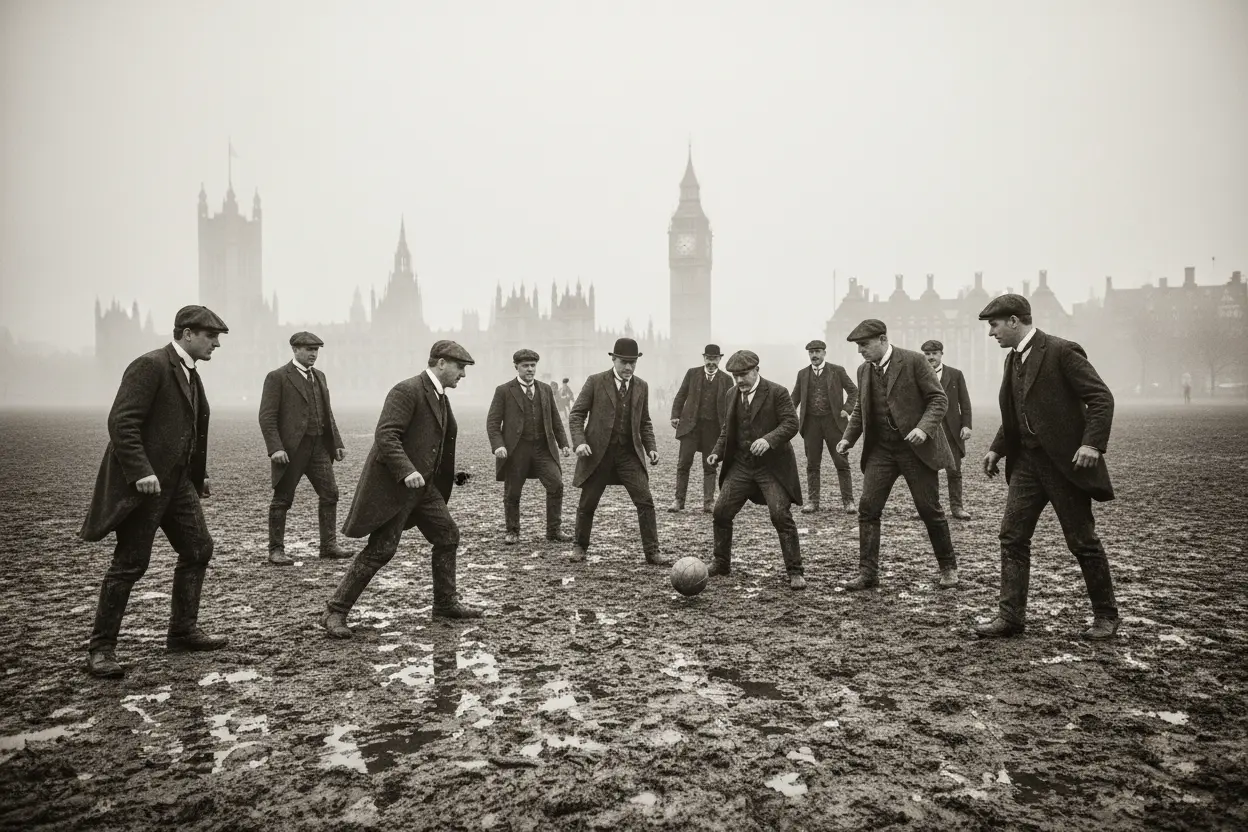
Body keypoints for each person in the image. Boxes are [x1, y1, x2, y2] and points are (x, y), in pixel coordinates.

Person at [80, 305, 231, 679]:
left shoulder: (190, 372)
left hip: (177, 484)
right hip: (146, 486)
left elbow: (188, 427)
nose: (216, 344)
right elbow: (122, 422)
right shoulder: (150, 365)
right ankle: (101, 649)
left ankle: (182, 632)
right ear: (186, 334)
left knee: (198, 549)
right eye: (211, 336)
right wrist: (141, 471)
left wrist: (198, 475)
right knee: (130, 563)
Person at [975, 294, 1120, 640]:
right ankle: (1010, 618)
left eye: (994, 325)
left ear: (1014, 321)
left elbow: (1101, 398)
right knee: (1012, 537)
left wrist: (1091, 443)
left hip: (1064, 465)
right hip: (1026, 464)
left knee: (1082, 541)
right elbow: (1017, 411)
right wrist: (997, 449)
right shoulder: (1012, 360)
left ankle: (1106, 616)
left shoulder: (1061, 350)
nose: (991, 333)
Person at [321, 340, 482, 638]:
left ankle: (445, 603)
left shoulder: (440, 396)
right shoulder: (407, 390)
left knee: (447, 535)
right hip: (397, 488)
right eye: (460, 368)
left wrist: (451, 473)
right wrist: (406, 470)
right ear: (442, 363)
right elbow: (386, 435)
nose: (463, 375)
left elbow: (434, 443)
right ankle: (335, 611)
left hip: (425, 489)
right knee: (381, 550)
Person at [836, 319, 959, 590]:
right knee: (868, 509)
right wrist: (848, 438)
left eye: (864, 345)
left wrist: (924, 429)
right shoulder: (863, 371)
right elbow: (861, 410)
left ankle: (948, 568)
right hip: (881, 450)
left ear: (882, 339)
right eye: (858, 346)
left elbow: (939, 399)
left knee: (929, 510)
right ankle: (868, 573)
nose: (860, 351)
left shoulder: (914, 361)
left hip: (916, 451)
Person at [706, 351, 805, 589]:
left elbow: (792, 423)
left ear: (756, 370)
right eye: (735, 376)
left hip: (771, 468)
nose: (739, 380)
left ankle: (795, 571)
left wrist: (769, 440)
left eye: (743, 375)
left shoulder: (777, 392)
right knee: (720, 512)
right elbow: (726, 429)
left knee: (780, 515)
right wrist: (716, 452)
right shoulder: (731, 394)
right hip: (740, 466)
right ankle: (721, 563)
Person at [568, 337, 666, 565]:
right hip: (597, 455)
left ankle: (652, 552)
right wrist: (580, 442)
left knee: (645, 501)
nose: (629, 367)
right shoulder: (595, 381)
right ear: (613, 359)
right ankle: (579, 547)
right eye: (624, 362)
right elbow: (576, 415)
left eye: (633, 362)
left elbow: (645, 422)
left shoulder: (642, 386)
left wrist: (651, 448)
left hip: (628, 455)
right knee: (587, 503)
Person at [258, 331, 350, 566]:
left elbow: (327, 413)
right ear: (295, 350)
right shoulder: (277, 377)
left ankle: (328, 546)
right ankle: (276, 550)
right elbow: (267, 417)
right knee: (283, 499)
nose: (313, 354)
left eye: (316, 350)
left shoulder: (320, 376)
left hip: (319, 447)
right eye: (308, 349)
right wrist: (275, 448)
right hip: (291, 450)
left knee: (330, 493)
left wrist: (336, 443)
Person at [486, 348, 573, 545]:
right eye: (525, 366)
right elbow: (492, 423)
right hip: (516, 450)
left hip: (543, 448)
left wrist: (564, 443)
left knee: (556, 484)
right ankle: (512, 531)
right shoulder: (504, 391)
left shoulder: (545, 389)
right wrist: (498, 446)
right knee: (513, 492)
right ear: (516, 367)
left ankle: (554, 531)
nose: (530, 369)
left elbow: (555, 419)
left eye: (533, 366)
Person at [791, 339, 858, 514]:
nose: (814, 355)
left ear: (824, 353)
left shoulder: (837, 370)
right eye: (811, 352)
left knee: (841, 462)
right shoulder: (802, 374)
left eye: (818, 351)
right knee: (812, 464)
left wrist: (846, 409)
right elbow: (794, 399)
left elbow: (854, 391)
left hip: (834, 423)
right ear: (808, 354)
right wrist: (788, 416)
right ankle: (813, 502)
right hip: (811, 424)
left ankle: (848, 502)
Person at [668, 344, 733, 513]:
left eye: (714, 359)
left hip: (714, 429)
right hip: (691, 427)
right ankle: (678, 500)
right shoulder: (692, 373)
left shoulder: (726, 379)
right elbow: (681, 395)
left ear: (720, 359)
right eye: (708, 358)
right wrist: (675, 415)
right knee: (683, 464)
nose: (711, 362)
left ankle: (709, 502)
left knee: (710, 465)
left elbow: (732, 405)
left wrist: (731, 426)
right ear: (704, 358)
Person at [919, 339, 973, 520]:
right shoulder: (917, 374)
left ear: (941, 354)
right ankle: (928, 508)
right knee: (926, 471)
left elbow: (964, 403)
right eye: (927, 354)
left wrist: (966, 425)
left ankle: (957, 508)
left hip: (951, 430)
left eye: (934, 353)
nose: (931, 357)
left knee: (954, 471)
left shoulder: (955, 374)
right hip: (927, 430)